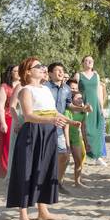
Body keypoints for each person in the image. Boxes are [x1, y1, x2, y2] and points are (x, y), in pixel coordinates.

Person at [7, 56, 70, 220]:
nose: (43, 68)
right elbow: (28, 115)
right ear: (28, 72)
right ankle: (23, 215)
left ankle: (43, 211)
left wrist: (70, 122)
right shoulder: (26, 90)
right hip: (32, 133)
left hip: (48, 132)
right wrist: (51, 121)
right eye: (39, 66)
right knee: (27, 171)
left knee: (46, 169)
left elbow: (53, 111)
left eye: (43, 66)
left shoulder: (45, 89)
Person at [46, 62, 76, 194]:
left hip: (59, 126)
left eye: (62, 70)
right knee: (45, 156)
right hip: (45, 124)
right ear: (50, 74)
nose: (60, 72)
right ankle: (43, 183)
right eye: (57, 70)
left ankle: (58, 183)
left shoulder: (67, 89)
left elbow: (69, 105)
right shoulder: (44, 87)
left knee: (64, 155)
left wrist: (82, 108)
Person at [73, 55, 107, 166]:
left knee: (97, 130)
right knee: (86, 129)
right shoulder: (79, 75)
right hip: (84, 104)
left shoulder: (96, 75)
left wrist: (101, 107)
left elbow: (99, 92)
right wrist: (80, 102)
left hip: (95, 104)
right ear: (83, 63)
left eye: (91, 61)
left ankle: (97, 156)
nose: (89, 62)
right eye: (86, 60)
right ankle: (84, 153)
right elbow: (75, 90)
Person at [0, 65, 19, 178]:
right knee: (6, 145)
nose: (18, 72)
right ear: (10, 73)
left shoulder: (24, 86)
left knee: (17, 145)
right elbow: (0, 106)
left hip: (20, 117)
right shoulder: (4, 87)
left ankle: (14, 169)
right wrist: (3, 123)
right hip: (7, 117)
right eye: (16, 71)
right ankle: (4, 170)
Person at [66, 91, 91, 187]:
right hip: (66, 136)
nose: (80, 100)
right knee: (64, 160)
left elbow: (83, 129)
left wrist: (86, 143)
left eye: (81, 98)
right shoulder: (67, 111)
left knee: (79, 160)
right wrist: (67, 145)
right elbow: (66, 128)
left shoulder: (83, 113)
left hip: (76, 137)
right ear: (72, 100)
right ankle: (60, 181)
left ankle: (77, 181)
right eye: (78, 98)